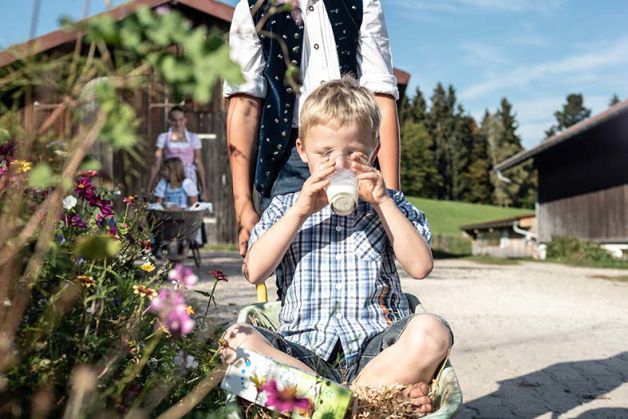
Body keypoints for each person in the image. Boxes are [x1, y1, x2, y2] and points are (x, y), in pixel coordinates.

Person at [220, 78, 452, 415]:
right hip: (303, 352)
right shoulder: (288, 206)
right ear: (302, 151)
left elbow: (420, 267)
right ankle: (361, 408)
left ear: (374, 150)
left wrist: (383, 202)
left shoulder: (389, 204)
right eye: (325, 154)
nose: (340, 165)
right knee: (233, 341)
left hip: (376, 353)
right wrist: (300, 211)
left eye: (355, 154)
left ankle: (323, 408)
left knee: (433, 331)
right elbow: (254, 270)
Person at [224, 0, 401, 256]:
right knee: (290, 262)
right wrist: (243, 206)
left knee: (363, 253)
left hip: (354, 152)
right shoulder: (253, 8)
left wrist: (392, 197)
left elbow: (381, 97)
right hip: (287, 158)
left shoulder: (362, 4)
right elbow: (244, 105)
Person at [146, 106, 208, 201]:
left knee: (190, 207)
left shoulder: (193, 138)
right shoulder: (163, 137)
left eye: (181, 120)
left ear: (185, 120)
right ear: (170, 121)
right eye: (174, 120)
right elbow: (156, 164)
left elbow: (198, 163)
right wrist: (149, 188)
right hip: (169, 178)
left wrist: (204, 190)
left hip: (189, 178)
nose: (178, 124)